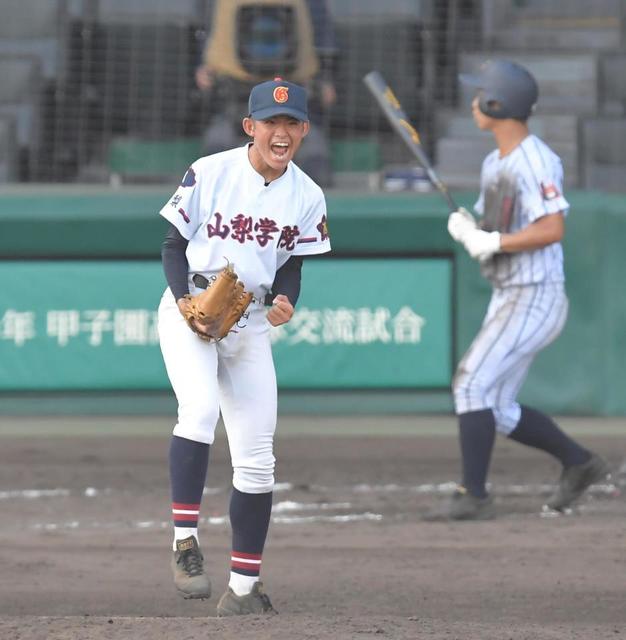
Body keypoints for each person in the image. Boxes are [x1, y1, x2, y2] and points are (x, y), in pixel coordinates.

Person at [157, 77, 331, 614]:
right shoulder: (210, 171)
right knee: (201, 410)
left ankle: (243, 589)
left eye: (291, 124)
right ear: (249, 127)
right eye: (271, 123)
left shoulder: (307, 194)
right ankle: (184, 541)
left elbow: (293, 266)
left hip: (249, 321)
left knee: (258, 459)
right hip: (190, 305)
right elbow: (173, 244)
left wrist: (285, 300)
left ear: (303, 130)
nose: (281, 133)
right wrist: (185, 303)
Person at [434, 59, 610, 521]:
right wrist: (470, 229)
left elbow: (552, 227)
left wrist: (492, 240)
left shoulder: (536, 159)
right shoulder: (495, 162)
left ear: (498, 103)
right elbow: (494, 228)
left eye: (480, 95)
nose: (473, 102)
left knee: (470, 385)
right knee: (496, 405)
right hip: (510, 292)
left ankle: (474, 494)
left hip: (535, 293)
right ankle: (580, 462)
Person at [194, 0, 338, 187]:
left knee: (314, 159)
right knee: (218, 156)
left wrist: (326, 76)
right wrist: (202, 67)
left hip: (292, 86)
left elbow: (322, 31)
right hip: (233, 87)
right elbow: (204, 29)